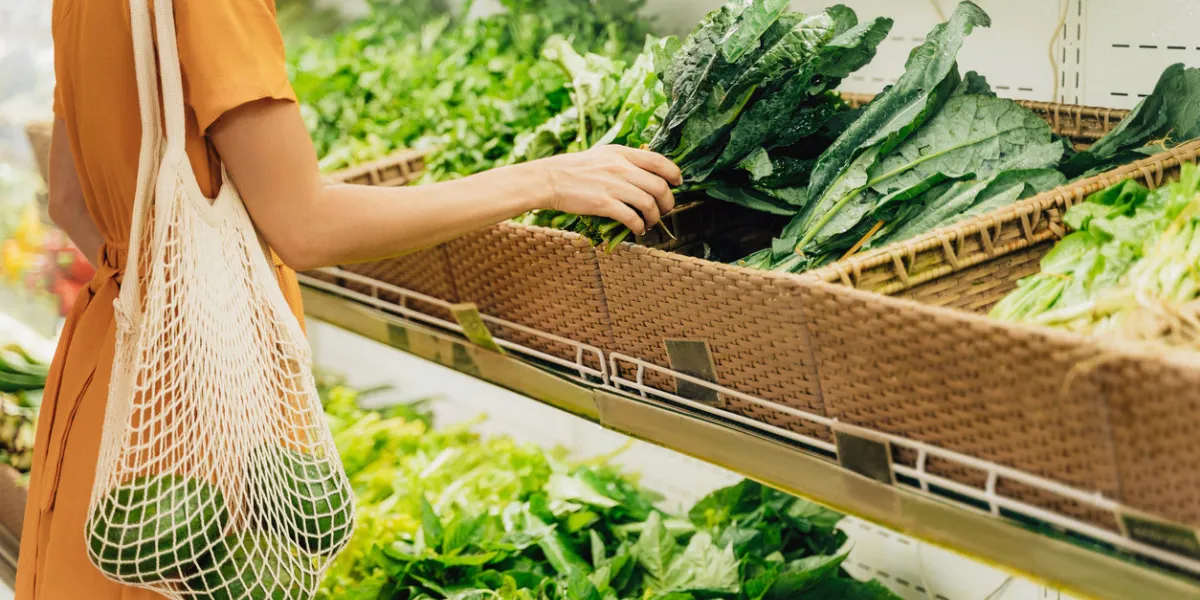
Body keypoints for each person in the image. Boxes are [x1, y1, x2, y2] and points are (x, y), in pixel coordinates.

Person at [18, 0, 681, 597]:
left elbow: (71, 201)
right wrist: (548, 177)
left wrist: (156, 274)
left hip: (109, 391)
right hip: (199, 435)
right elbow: (305, 227)